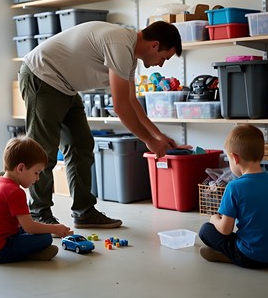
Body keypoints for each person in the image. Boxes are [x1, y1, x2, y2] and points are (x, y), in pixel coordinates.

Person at [18, 20, 183, 229]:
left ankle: (84, 212)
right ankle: (39, 213)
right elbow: (121, 107)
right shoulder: (120, 44)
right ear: (154, 45)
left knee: (82, 146)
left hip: (65, 87)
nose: (161, 64)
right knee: (44, 151)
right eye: (164, 57)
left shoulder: (129, 55)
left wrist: (157, 136)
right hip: (42, 76)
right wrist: (149, 140)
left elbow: (132, 101)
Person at [199, 124, 268, 269]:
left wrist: (214, 219)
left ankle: (231, 257)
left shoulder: (234, 187)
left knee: (206, 230)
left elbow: (225, 230)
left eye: (228, 160)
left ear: (235, 158)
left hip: (252, 257)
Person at [0, 136, 72, 263]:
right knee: (45, 238)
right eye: (36, 172)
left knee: (31, 231)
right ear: (21, 168)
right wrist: (54, 228)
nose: (37, 178)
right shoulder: (15, 192)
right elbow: (29, 227)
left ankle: (29, 250)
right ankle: (31, 254)